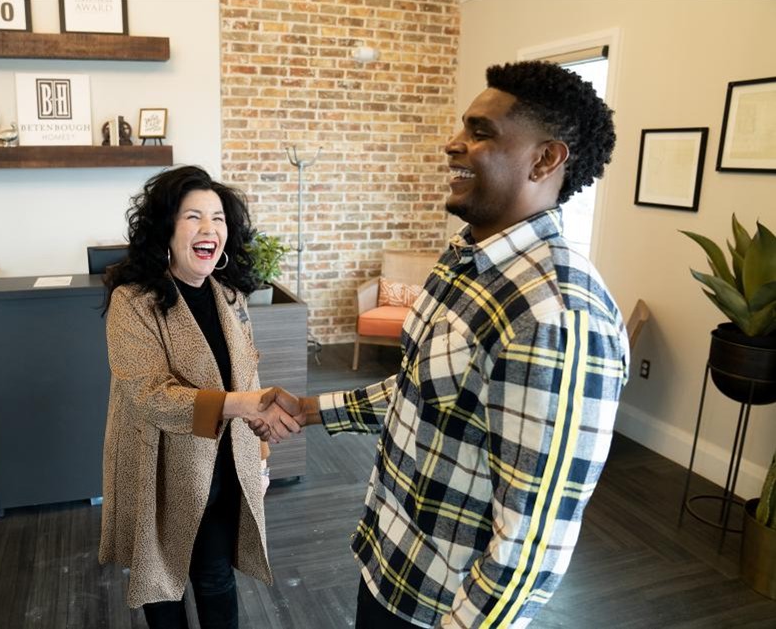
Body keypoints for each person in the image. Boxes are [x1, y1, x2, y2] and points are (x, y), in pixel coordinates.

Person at [250, 61, 629, 628]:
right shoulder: (464, 261)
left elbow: (531, 541)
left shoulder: (556, 315)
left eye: (481, 132)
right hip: (392, 562)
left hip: (443, 606)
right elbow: (423, 392)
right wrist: (310, 409)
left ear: (545, 159)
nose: (453, 144)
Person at [98, 165, 301, 628]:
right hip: (159, 470)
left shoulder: (230, 296)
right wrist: (240, 404)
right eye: (194, 217)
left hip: (222, 469)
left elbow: (249, 376)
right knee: (162, 585)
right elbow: (150, 394)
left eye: (218, 218)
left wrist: (260, 458)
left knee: (215, 578)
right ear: (166, 229)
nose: (209, 228)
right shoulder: (133, 301)